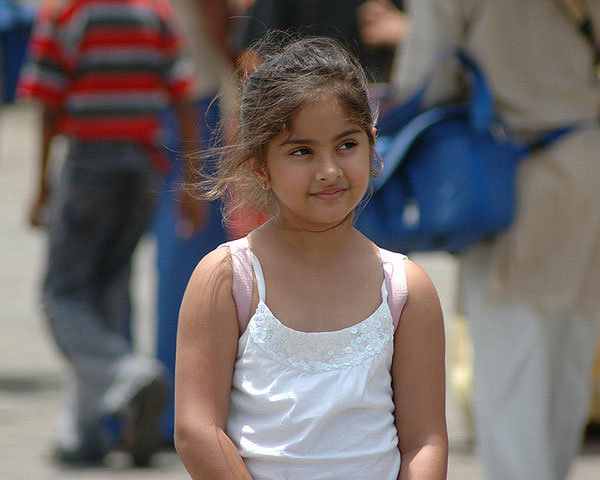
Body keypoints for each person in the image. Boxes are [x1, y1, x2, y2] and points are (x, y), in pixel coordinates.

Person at [174, 36, 448, 479]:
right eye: (302, 151)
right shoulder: (229, 280)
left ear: (371, 143)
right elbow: (196, 429)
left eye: (346, 145)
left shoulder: (403, 289)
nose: (329, 170)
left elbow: (425, 441)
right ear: (260, 164)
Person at [391, 1, 600, 479]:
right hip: (587, 160)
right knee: (569, 355)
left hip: (510, 173)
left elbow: (425, 76)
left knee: (511, 372)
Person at [17, 0, 205, 467]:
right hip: (142, 169)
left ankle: (127, 375)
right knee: (109, 292)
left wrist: (41, 185)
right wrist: (190, 180)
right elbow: (183, 97)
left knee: (62, 296)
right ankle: (86, 433)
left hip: (89, 168)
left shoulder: (67, 14)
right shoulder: (156, 13)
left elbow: (47, 105)